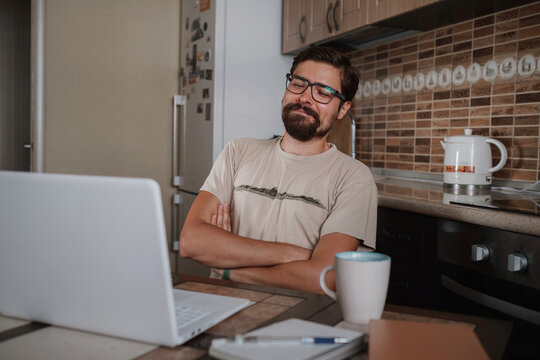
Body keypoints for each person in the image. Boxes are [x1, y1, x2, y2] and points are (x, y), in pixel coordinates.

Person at [179, 46, 377, 294]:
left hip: (298, 318)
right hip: (222, 306)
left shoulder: (353, 177)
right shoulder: (238, 152)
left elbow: (325, 278)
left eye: (323, 92)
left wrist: (228, 267)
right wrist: (292, 254)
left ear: (343, 110)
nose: (305, 97)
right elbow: (190, 242)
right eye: (298, 83)